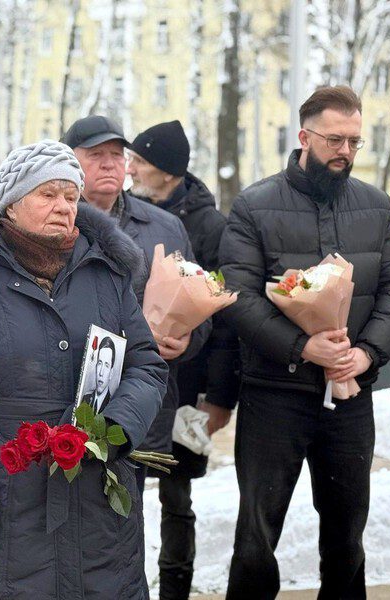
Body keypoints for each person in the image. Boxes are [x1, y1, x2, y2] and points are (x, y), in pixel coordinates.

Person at [0, 139, 168, 598]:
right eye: (48, 195)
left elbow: (146, 365)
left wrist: (114, 431)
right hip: (1, 499)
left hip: (98, 501)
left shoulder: (106, 271)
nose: (64, 207)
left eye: (71, 196)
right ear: (11, 202)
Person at [219, 85, 390, 599]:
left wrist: (365, 354)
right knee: (256, 536)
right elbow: (236, 295)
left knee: (347, 538)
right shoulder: (254, 205)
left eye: (355, 141)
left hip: (350, 397)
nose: (345, 150)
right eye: (335, 139)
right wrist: (302, 348)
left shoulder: (376, 204)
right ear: (304, 136)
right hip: (273, 394)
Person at [62, 115, 211, 489]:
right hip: (67, 399)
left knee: (128, 519)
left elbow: (200, 300)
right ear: (69, 159)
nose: (111, 162)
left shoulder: (165, 226)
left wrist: (187, 339)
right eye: (96, 154)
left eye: (117, 153)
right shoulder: (51, 220)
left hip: (143, 398)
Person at [127, 120, 239, 600]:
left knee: (177, 499)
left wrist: (218, 399)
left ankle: (175, 588)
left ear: (169, 173)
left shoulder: (209, 227)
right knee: (122, 494)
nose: (130, 168)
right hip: (134, 384)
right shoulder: (124, 215)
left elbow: (225, 317)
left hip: (187, 386)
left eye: (141, 162)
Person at [81, 336, 117, 412]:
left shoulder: (113, 405)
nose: (101, 373)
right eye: (100, 363)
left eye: (107, 365)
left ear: (111, 372)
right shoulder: (86, 399)